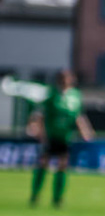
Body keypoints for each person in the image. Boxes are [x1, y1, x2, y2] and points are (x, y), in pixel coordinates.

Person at [27, 69, 92, 207]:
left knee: (62, 165)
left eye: (67, 78)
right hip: (51, 136)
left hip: (65, 136)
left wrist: (85, 131)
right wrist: (39, 131)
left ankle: (57, 198)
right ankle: (35, 194)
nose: (65, 80)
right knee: (43, 163)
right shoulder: (51, 94)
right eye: (62, 78)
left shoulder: (75, 95)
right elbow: (40, 114)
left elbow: (78, 116)